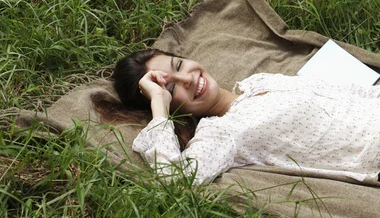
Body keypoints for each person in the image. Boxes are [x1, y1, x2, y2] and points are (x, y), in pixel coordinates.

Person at [112, 48, 380, 185]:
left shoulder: (259, 81)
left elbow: (347, 92)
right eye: (171, 87)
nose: (188, 78)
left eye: (179, 65)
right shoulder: (221, 133)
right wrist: (158, 103)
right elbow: (175, 178)